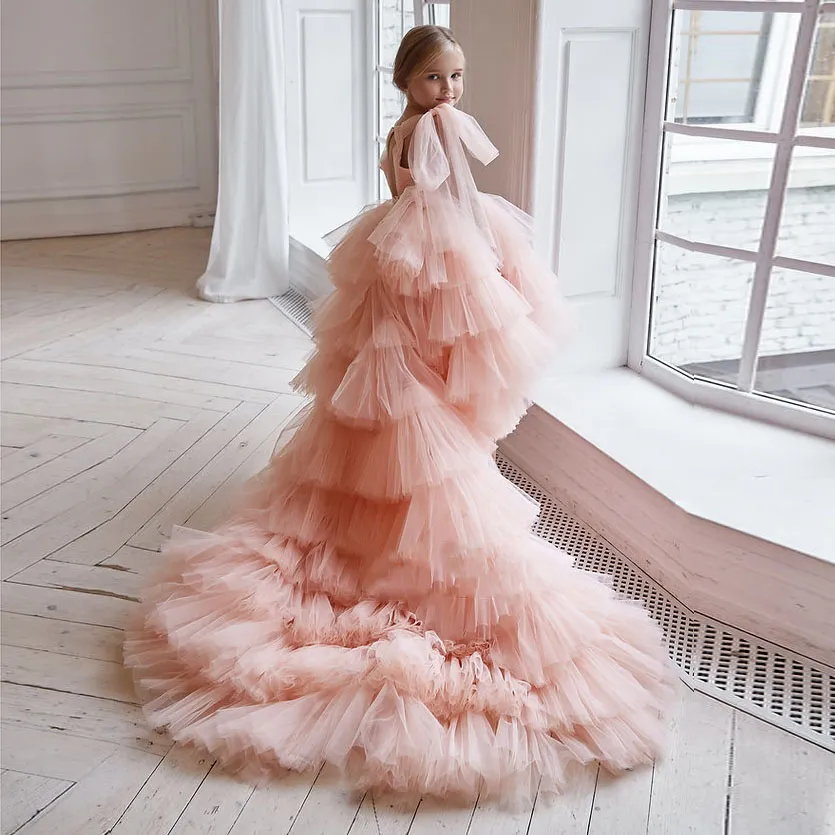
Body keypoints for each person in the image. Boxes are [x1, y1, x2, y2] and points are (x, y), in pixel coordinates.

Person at [124, 24, 672, 804]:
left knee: (409, 391)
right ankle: (408, 505)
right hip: (425, 258)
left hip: (412, 257)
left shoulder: (411, 127)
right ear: (405, 81)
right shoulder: (424, 129)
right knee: (411, 389)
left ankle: (404, 476)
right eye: (433, 79)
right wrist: (476, 252)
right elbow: (442, 198)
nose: (448, 92)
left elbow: (424, 192)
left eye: (456, 77)